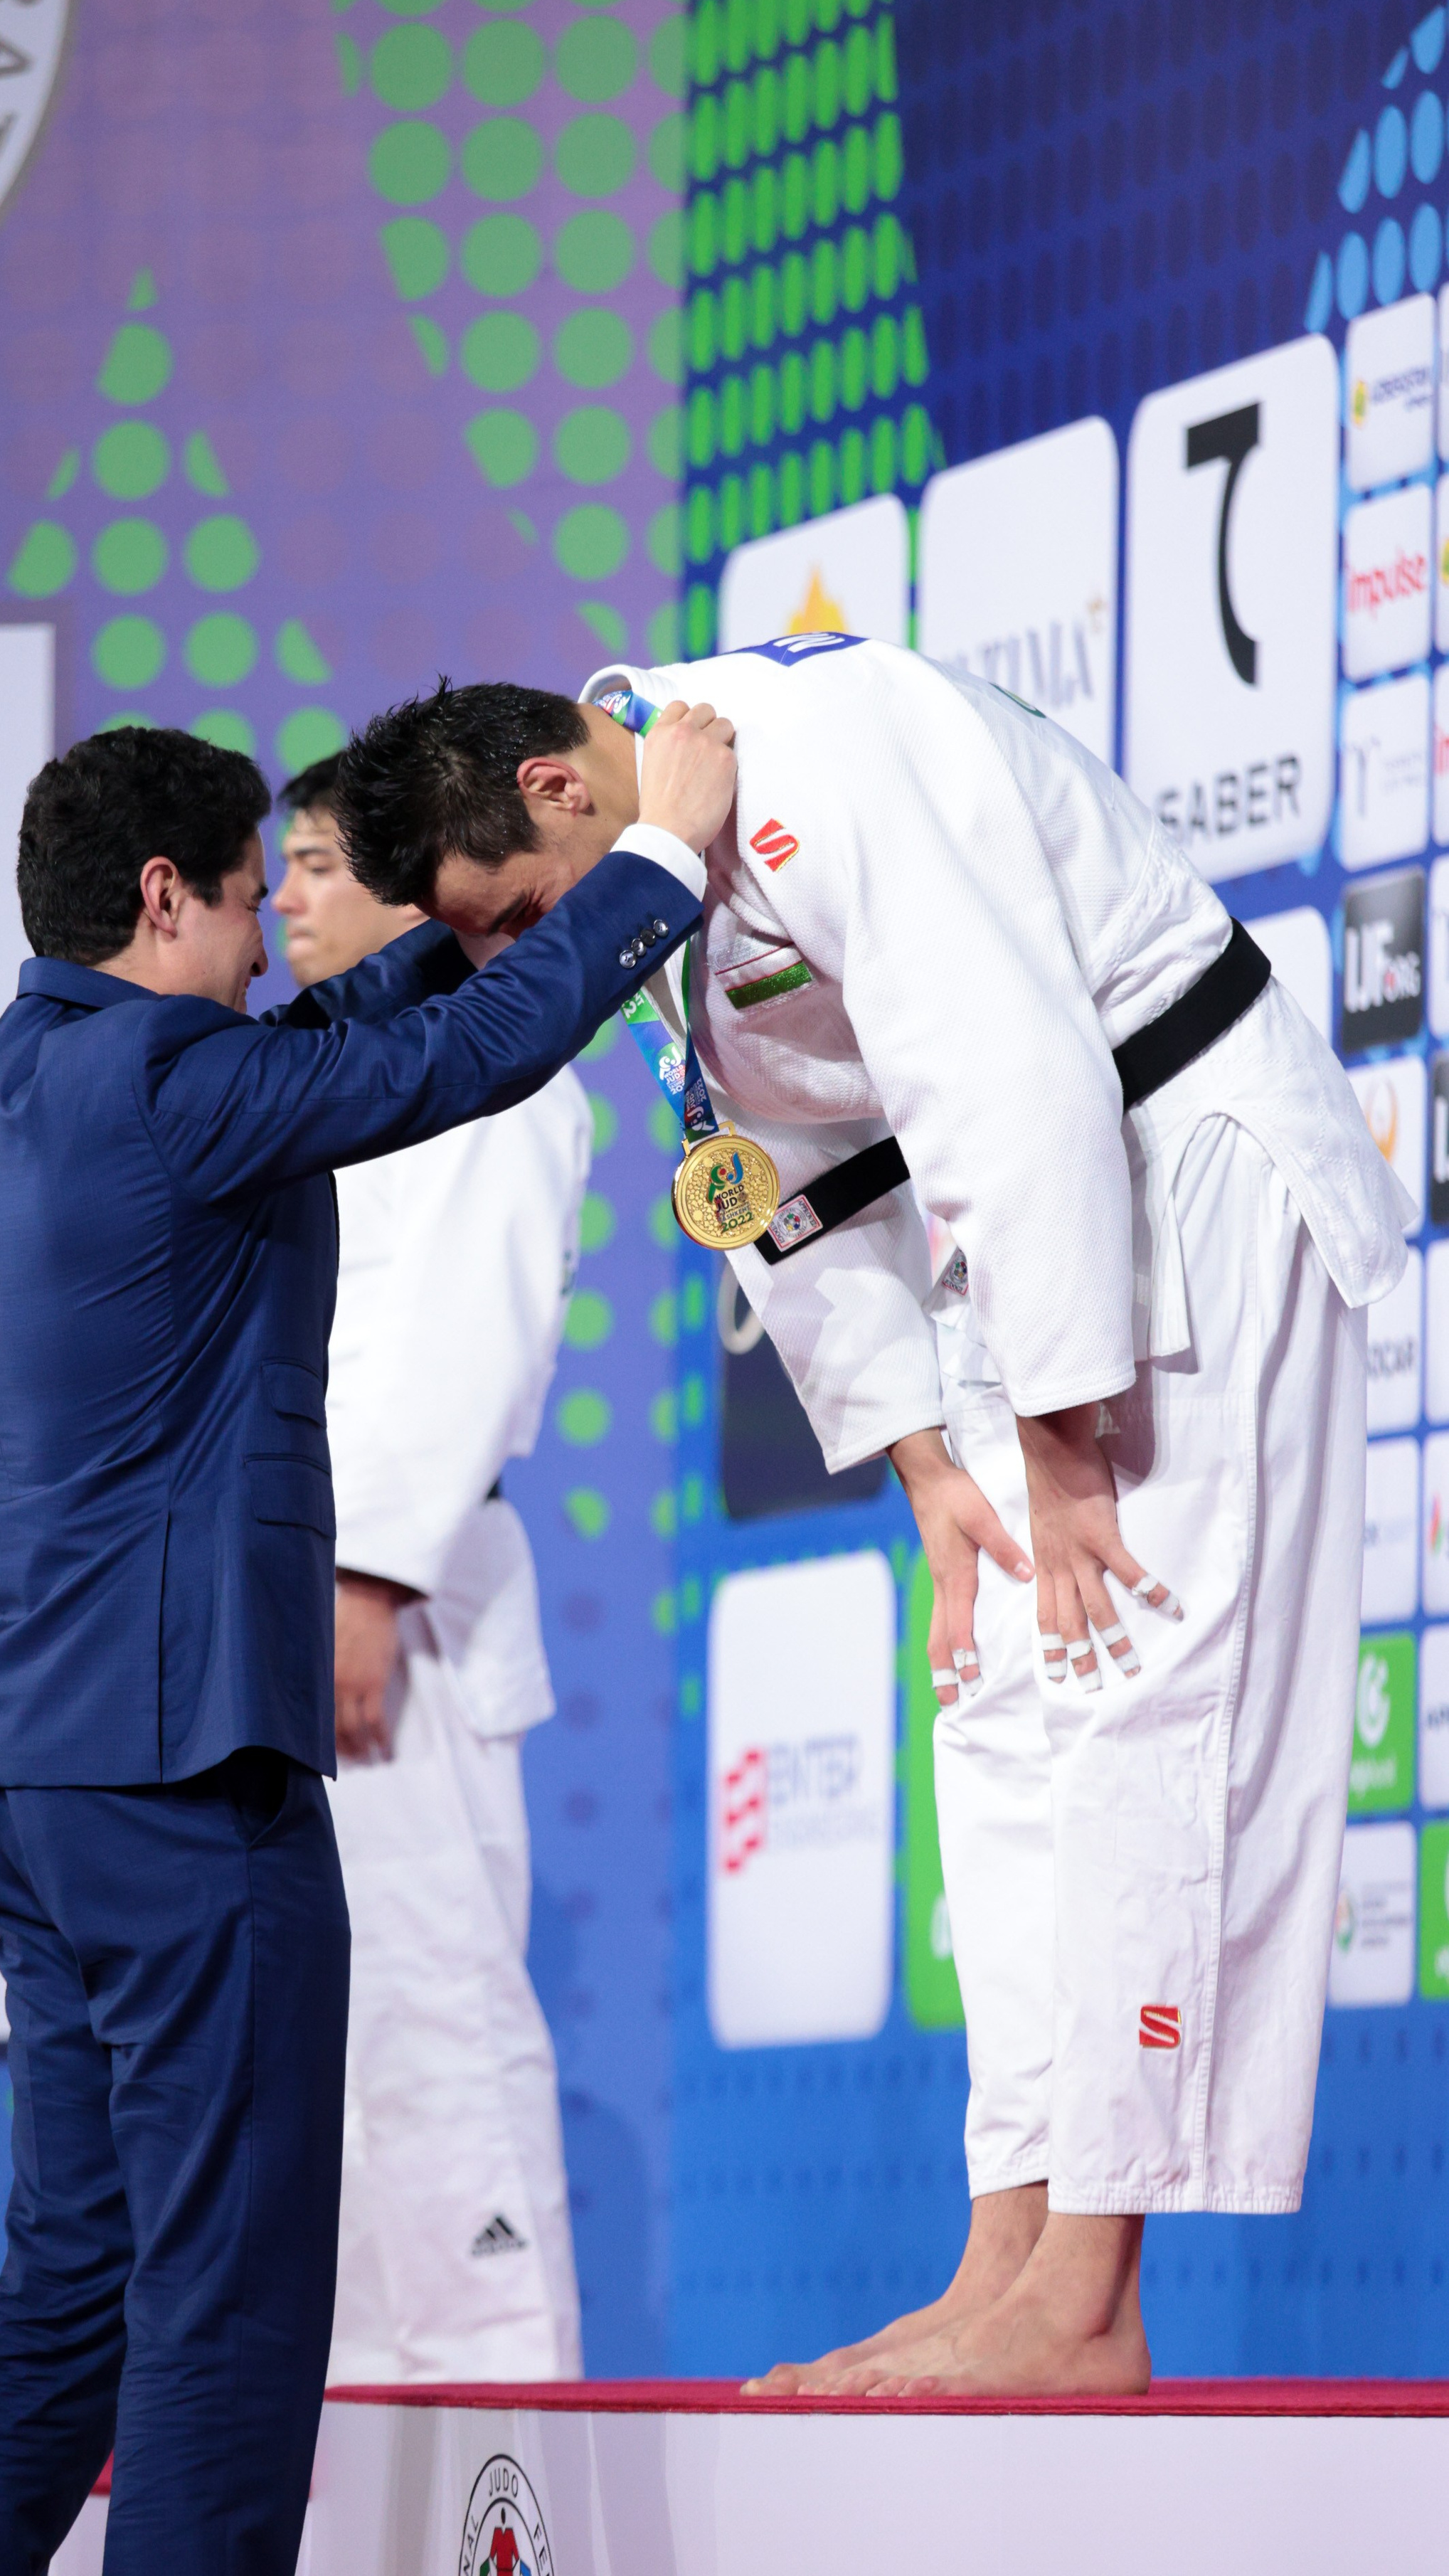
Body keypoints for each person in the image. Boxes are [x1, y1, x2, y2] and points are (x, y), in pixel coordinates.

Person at [331, 643, 1408, 2402]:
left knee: (1130, 1682)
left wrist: (1057, 1446)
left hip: (1175, 1178)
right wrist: (926, 1468)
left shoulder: (817, 757)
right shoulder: (660, 861)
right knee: (991, 1713)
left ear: (553, 784)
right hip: (1023, 1264)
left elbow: (1009, 1079)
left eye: (513, 917)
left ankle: (1087, 2297)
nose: (515, 962)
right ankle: (1003, 2254)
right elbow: (788, 1189)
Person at [0, 711, 732, 2575]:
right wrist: (654, 861)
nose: (276, 940)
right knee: (233, 2295)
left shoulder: (5, 1078)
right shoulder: (178, 1099)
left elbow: (329, 1043)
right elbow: (472, 1060)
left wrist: (465, 915)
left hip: (29, 1768)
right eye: (247, 903)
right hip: (185, 1770)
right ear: (160, 892)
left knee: (75, 2269)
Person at [275, 758, 587, 2382]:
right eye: (279, 868)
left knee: (430, 2004)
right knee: (315, 2054)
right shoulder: (317, 1085)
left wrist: (370, 1587)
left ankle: (490, 2439)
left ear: (417, 888)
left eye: (322, 862)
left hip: (397, 1617)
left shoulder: (503, 1076)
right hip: (288, 1609)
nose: (286, 898)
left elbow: (465, 1335)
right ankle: (350, 2426)